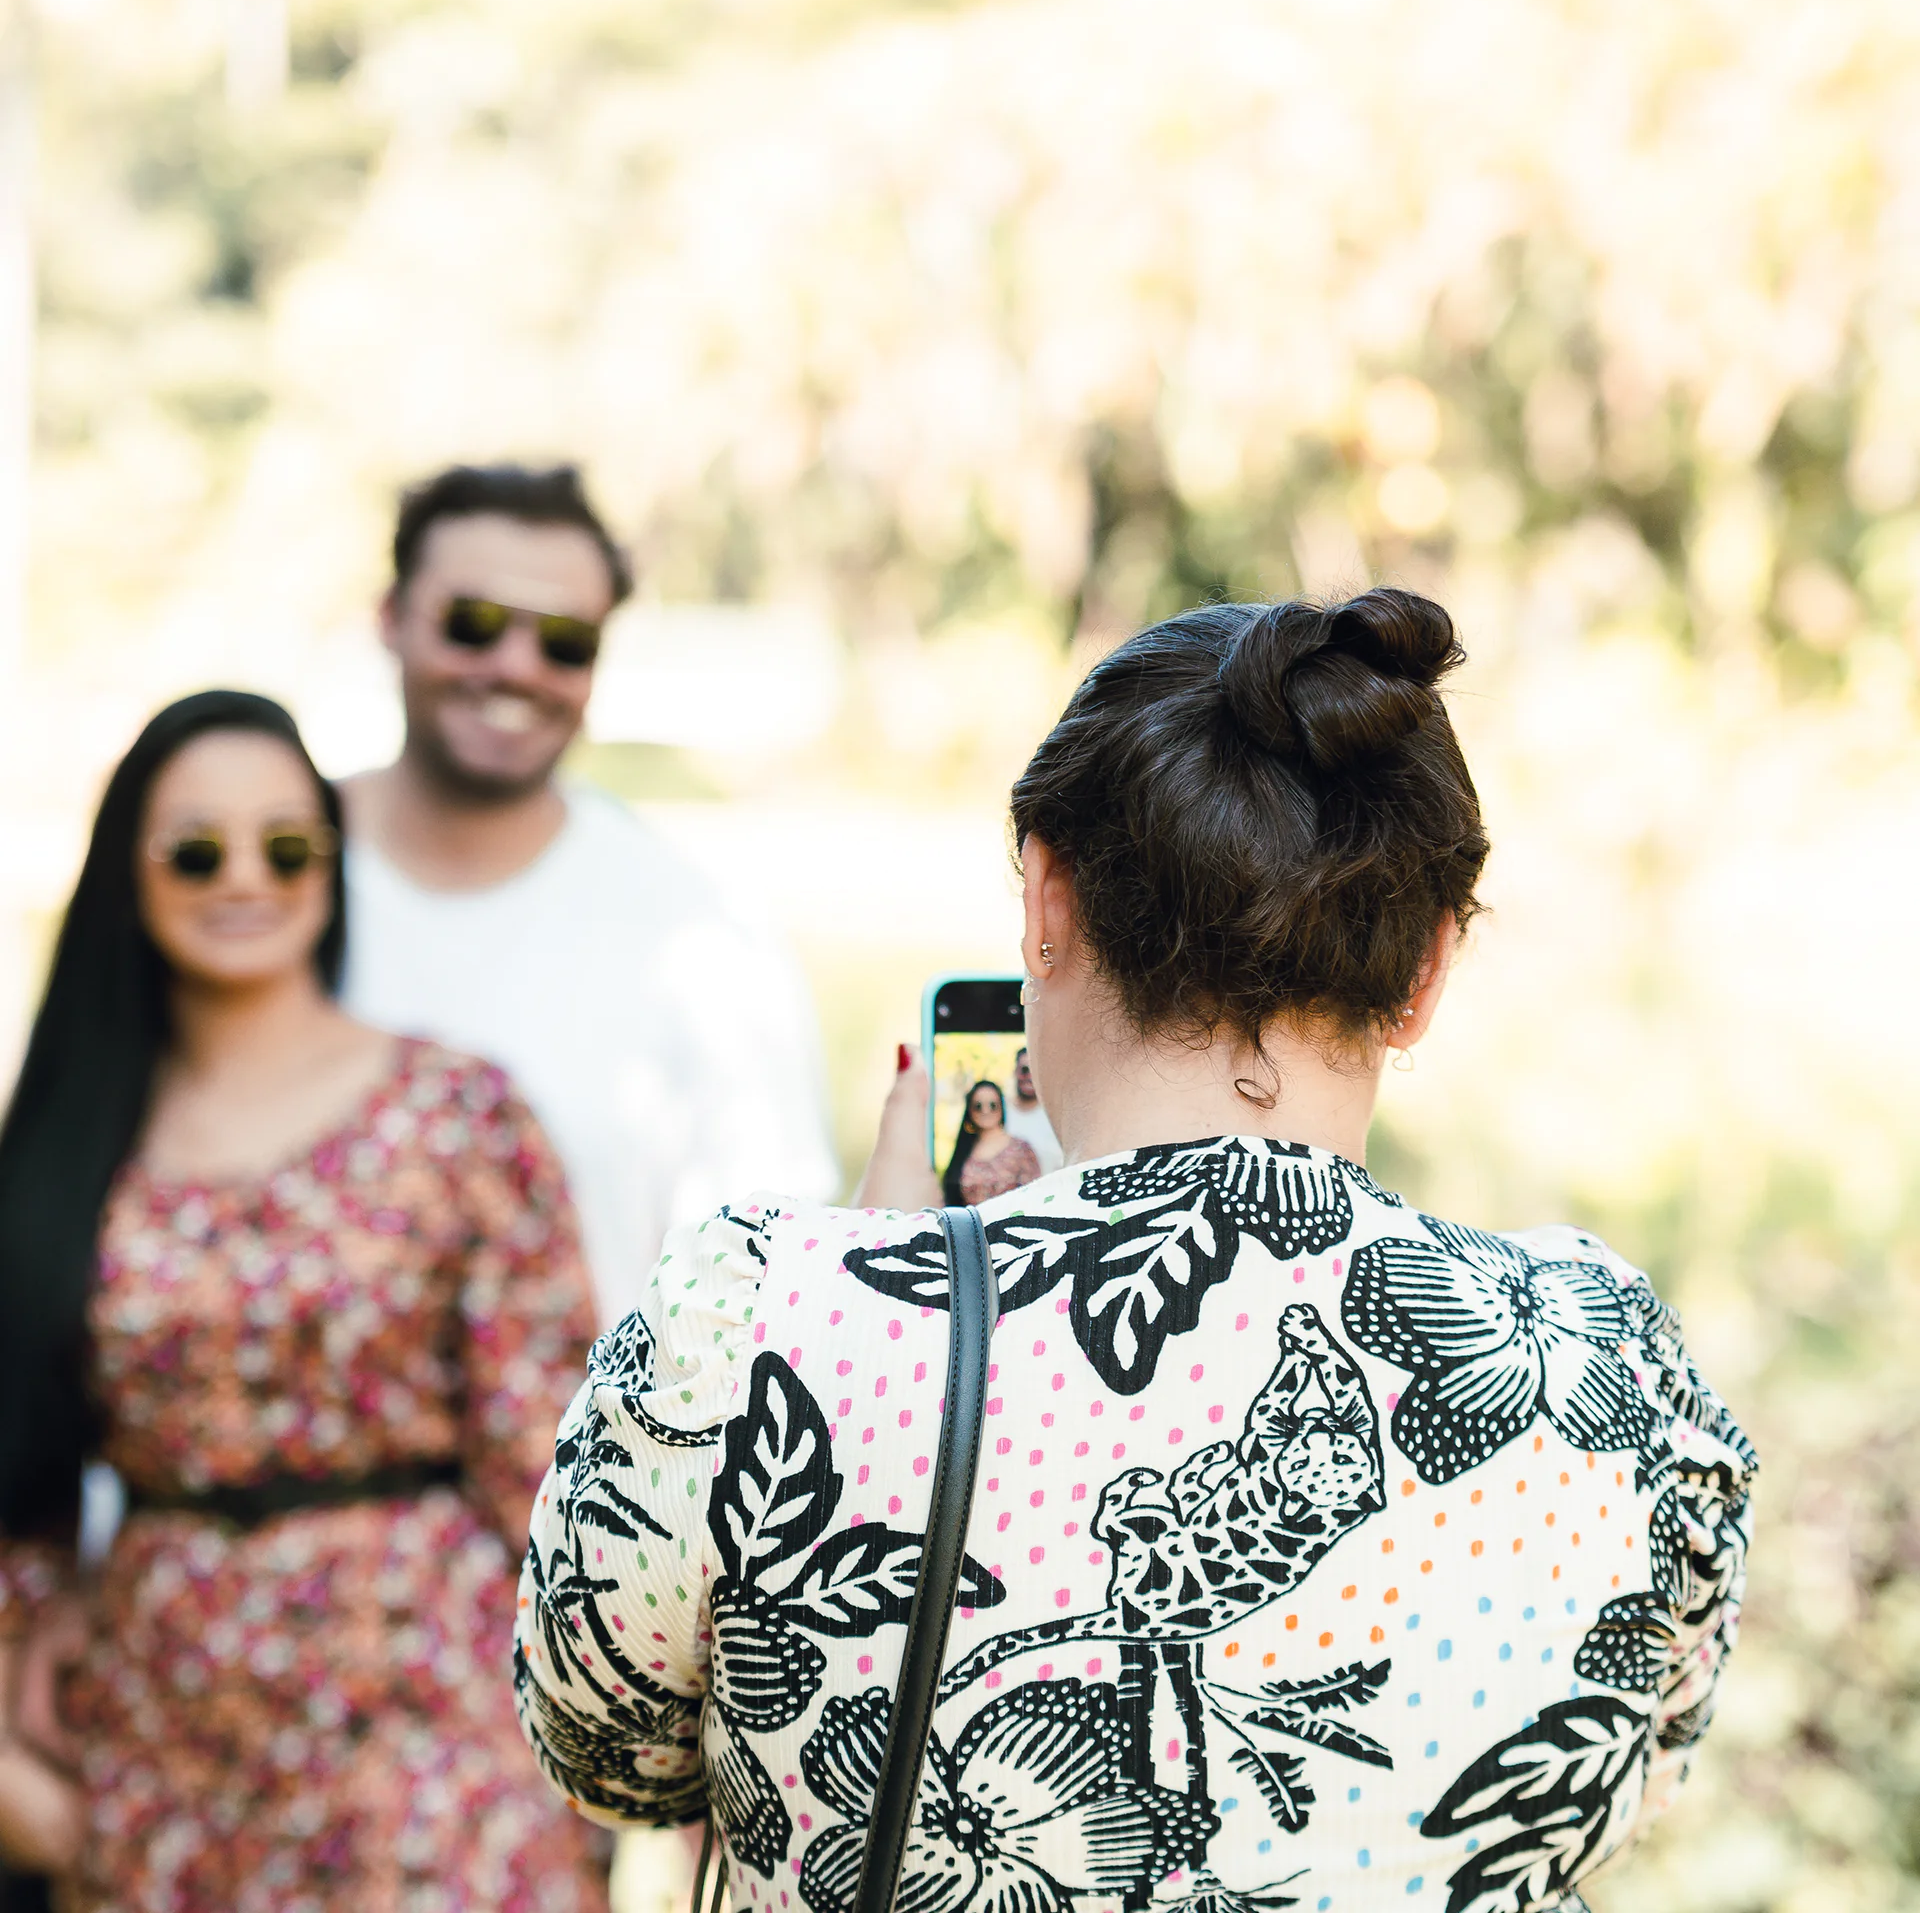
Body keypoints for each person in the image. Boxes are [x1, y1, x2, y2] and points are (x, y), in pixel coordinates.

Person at [510, 590, 1756, 1910]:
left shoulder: (767, 1318)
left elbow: (605, 1752)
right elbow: (1620, 1778)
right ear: (1428, 971)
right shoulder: (1602, 1357)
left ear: (1046, 902)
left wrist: (868, 1281)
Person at [0, 692, 607, 1911]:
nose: (245, 878)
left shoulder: (456, 1115)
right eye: (195, 847)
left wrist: (599, 1754)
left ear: (331, 866)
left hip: (430, 1719)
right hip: (164, 1733)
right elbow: (19, 1456)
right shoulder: (72, 1147)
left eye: (286, 845)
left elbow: (552, 1470)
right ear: (131, 872)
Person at [340, 463, 839, 1325]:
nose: (516, 667)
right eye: (475, 623)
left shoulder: (701, 940)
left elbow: (768, 1285)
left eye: (566, 643)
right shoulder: (253, 886)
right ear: (389, 620)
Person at [941, 1079, 1042, 1204]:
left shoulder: (1021, 1150)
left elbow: (1035, 1195)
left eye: (992, 1105)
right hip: (971, 1222)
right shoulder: (964, 1150)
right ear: (970, 1111)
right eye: (978, 1106)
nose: (985, 1111)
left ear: (1001, 1107)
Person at [1004, 1043, 1063, 1174]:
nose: (1029, 1077)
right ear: (1015, 1072)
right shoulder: (1000, 1112)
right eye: (1025, 1070)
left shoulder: (1056, 1115)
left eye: (1035, 1071)